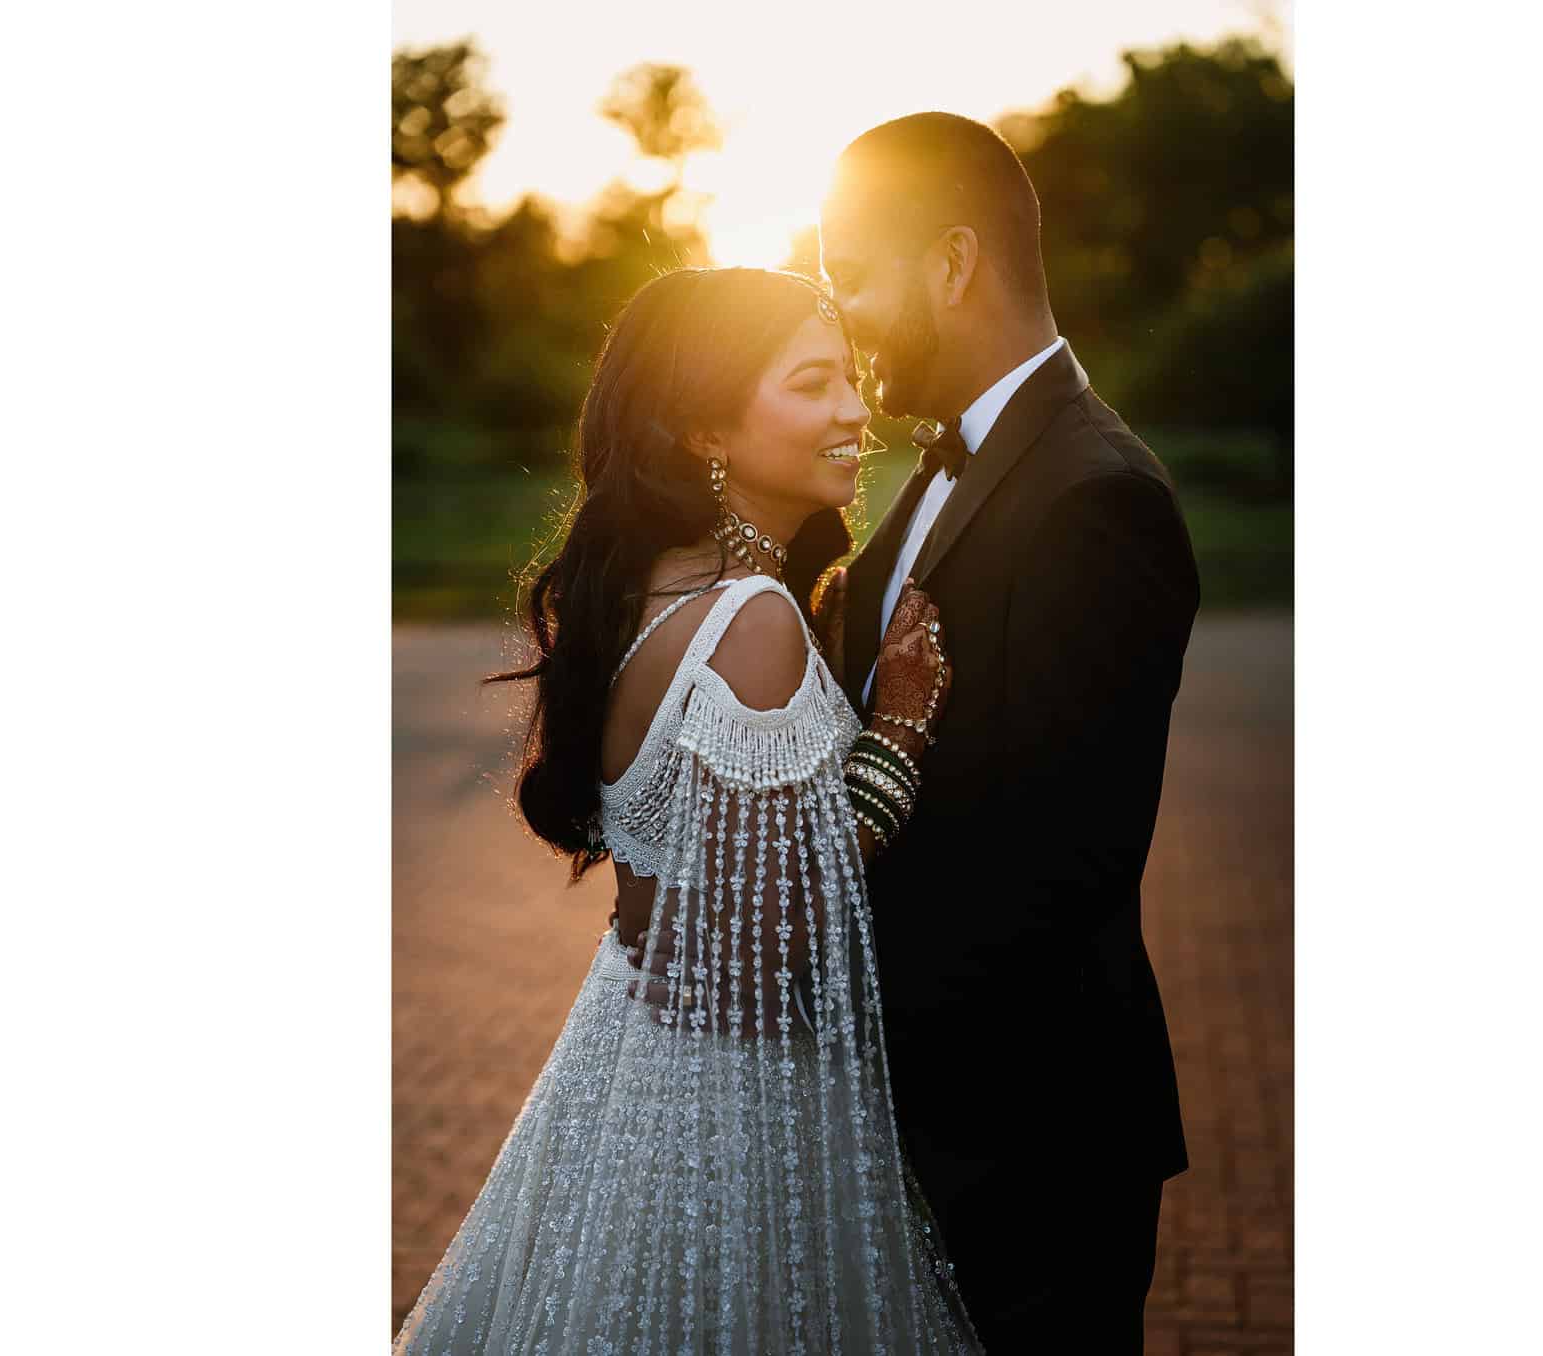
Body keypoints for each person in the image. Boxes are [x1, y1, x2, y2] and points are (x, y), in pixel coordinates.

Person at [393, 266, 985, 1355]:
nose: (857, 411)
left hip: (634, 1054)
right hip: (735, 1107)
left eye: (850, 376)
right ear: (706, 426)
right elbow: (774, 943)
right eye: (814, 383)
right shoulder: (748, 623)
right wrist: (898, 733)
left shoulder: (653, 586)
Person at [815, 111, 1202, 1351]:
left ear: (950, 262)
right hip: (913, 1122)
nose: (842, 317)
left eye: (850, 277)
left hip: (1026, 1139)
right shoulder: (935, 471)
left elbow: (1057, 857)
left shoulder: (1098, 498)